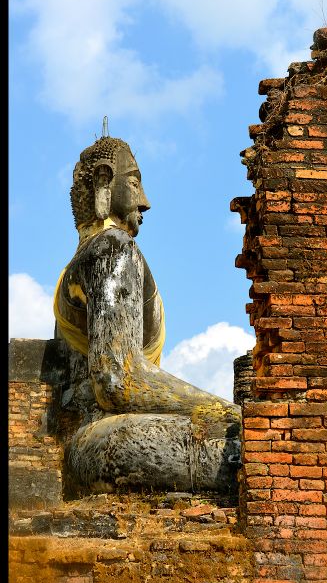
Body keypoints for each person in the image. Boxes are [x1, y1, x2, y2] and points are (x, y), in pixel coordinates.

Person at [54, 134, 241, 494]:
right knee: (246, 446)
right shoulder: (112, 248)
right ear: (105, 181)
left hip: (96, 435)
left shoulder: (78, 263)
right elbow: (117, 382)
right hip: (104, 437)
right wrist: (229, 412)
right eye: (135, 182)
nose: (145, 201)